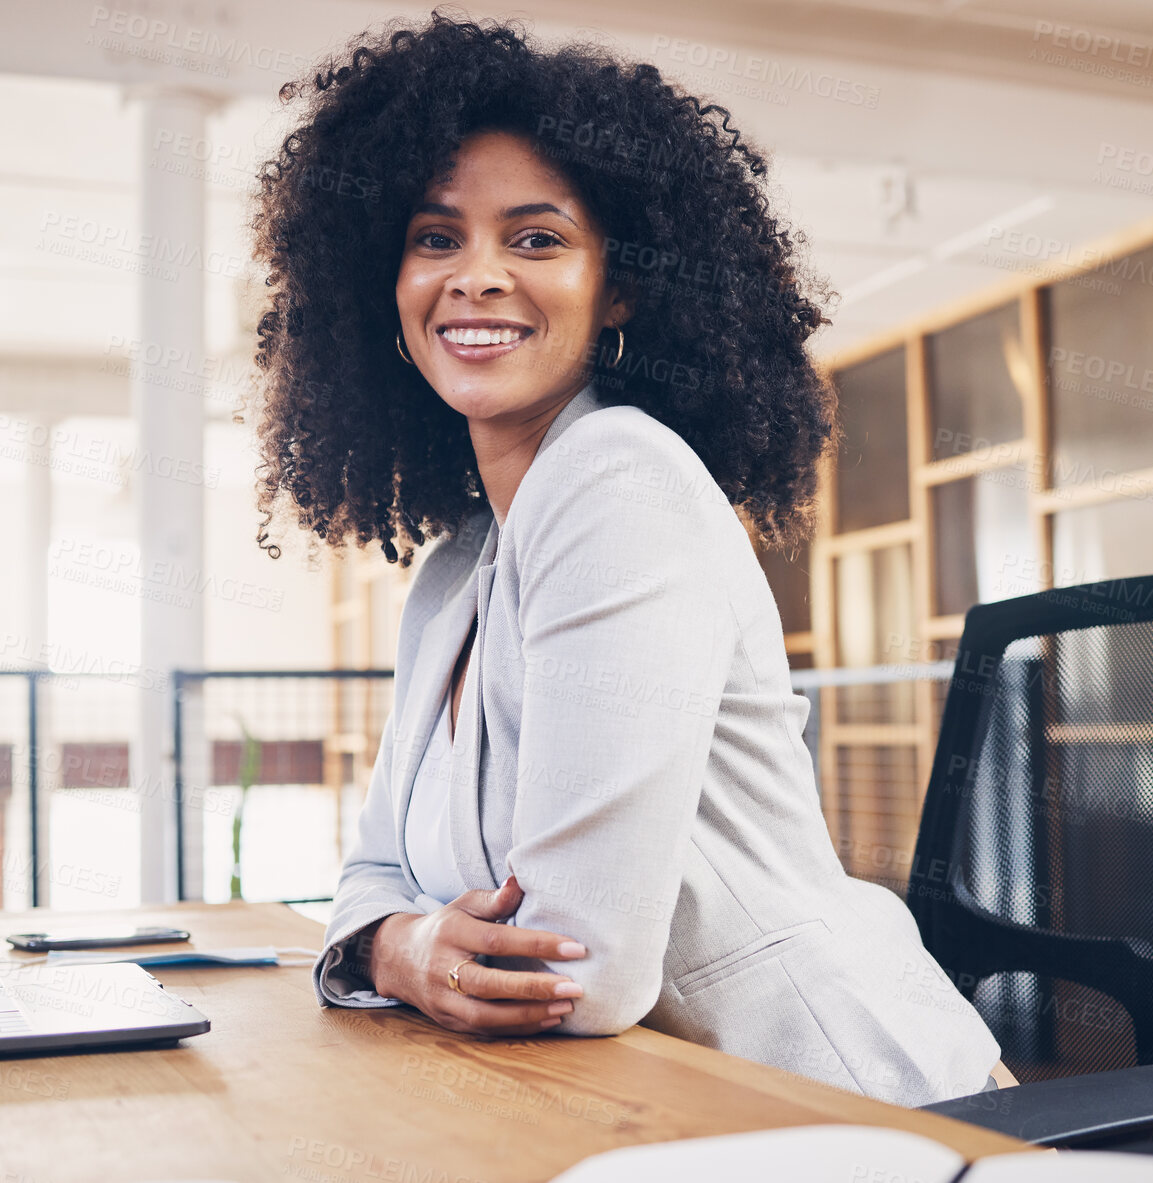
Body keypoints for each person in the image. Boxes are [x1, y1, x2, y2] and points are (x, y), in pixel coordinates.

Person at [246, 10, 1012, 1107]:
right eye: (434, 237)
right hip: (636, 1106)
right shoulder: (456, 572)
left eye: (537, 238)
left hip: (848, 1102)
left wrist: (398, 941)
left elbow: (578, 969)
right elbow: (371, 876)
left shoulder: (620, 480)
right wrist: (396, 947)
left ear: (621, 290)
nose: (476, 276)